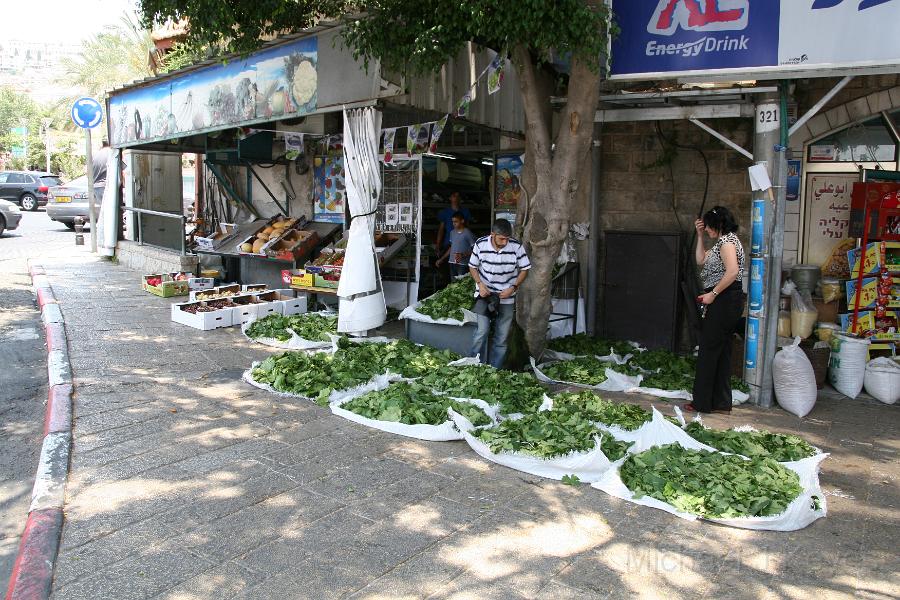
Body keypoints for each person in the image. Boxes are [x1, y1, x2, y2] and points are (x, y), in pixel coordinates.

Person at [684, 206, 746, 414]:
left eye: (709, 227)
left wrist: (713, 294)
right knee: (721, 352)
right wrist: (700, 236)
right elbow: (700, 259)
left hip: (724, 300)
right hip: (726, 300)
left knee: (709, 352)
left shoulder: (727, 243)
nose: (707, 230)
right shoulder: (723, 242)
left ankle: (702, 402)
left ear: (718, 225)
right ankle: (720, 402)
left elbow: (732, 272)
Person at [468, 219, 530, 368]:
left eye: (507, 238)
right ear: (492, 234)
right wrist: (480, 285)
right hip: (485, 295)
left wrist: (513, 287)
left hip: (507, 296)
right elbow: (472, 266)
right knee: (481, 332)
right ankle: (473, 367)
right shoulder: (480, 244)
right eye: (501, 238)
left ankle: (495, 370)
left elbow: (525, 268)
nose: (504, 242)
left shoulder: (516, 246)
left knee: (502, 337)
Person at [435, 211, 475, 277]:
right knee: (453, 285)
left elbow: (475, 250)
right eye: (453, 221)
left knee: (462, 285)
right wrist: (441, 259)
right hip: (452, 262)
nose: (454, 224)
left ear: (462, 221)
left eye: (456, 221)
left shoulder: (468, 233)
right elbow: (451, 247)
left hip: (463, 264)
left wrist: (463, 254)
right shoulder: (452, 232)